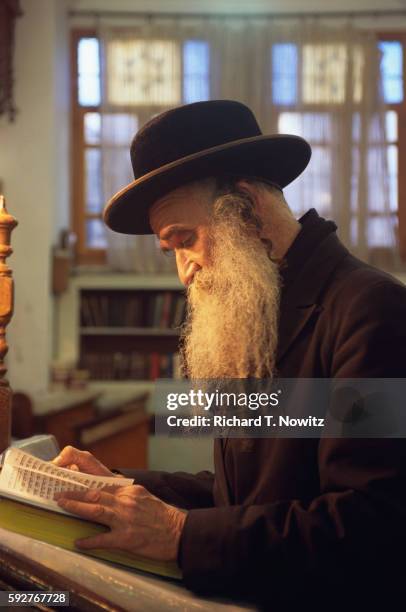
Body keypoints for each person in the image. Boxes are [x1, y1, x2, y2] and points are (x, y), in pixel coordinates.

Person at [53, 101, 406, 608]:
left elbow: (371, 524)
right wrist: (117, 486)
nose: (184, 272)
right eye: (171, 249)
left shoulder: (371, 310)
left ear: (247, 209)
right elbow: (244, 498)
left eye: (186, 240)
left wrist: (179, 534)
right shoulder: (261, 314)